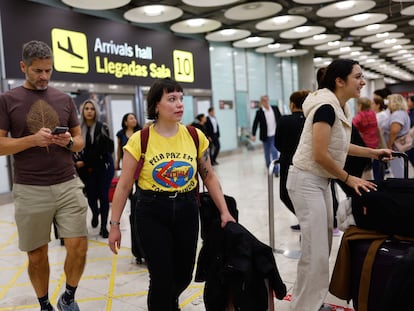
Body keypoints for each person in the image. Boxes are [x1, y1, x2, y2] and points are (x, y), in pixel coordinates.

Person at [108, 78, 235, 311]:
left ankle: (168, 302)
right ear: (156, 105)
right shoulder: (140, 140)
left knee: (185, 273)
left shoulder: (194, 136)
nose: (179, 105)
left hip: (187, 208)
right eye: (172, 99)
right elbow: (124, 185)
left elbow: (209, 176)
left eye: (181, 99)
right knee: (161, 277)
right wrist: (114, 224)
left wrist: (224, 211)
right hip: (151, 211)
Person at [286, 59, 392, 311]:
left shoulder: (335, 106)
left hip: (318, 181)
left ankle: (307, 304)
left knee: (318, 251)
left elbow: (339, 146)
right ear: (339, 80)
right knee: (317, 254)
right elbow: (320, 153)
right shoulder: (326, 108)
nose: (363, 82)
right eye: (358, 77)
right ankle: (306, 307)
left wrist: (373, 152)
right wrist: (348, 178)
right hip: (307, 181)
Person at [0, 40, 88, 311]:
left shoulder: (64, 99)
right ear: (23, 66)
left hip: (67, 182)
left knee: (79, 246)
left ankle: (69, 297)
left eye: (48, 71)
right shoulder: (7, 100)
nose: (44, 77)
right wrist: (32, 140)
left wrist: (69, 144)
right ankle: (44, 304)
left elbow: (79, 139)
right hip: (30, 189)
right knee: (37, 255)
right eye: (37, 71)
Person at [74, 99, 115, 238]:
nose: (89, 111)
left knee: (103, 196)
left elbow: (103, 150)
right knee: (91, 196)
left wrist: (84, 161)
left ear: (96, 111)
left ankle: (104, 227)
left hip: (103, 167)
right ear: (82, 111)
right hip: (86, 170)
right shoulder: (78, 129)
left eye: (92, 108)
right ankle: (95, 213)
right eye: (87, 109)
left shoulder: (102, 126)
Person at [275, 90, 309, 231]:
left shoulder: (284, 120)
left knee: (285, 193)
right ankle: (306, 220)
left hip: (288, 161)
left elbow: (277, 143)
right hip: (307, 162)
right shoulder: (310, 120)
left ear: (292, 104)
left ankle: (305, 220)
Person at [251, 95, 282, 176]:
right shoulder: (259, 112)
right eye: (264, 101)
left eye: (267, 100)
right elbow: (255, 123)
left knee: (274, 151)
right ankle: (269, 168)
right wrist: (253, 134)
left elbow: (281, 119)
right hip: (265, 137)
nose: (266, 102)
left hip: (274, 135)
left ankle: (276, 170)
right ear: (261, 102)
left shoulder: (274, 108)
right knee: (267, 155)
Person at [384, 93, 411, 178]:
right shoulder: (402, 113)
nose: (388, 104)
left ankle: (401, 188)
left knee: (398, 170)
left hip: (395, 147)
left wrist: (389, 146)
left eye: (389, 102)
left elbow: (394, 132)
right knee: (399, 168)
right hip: (399, 146)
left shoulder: (397, 114)